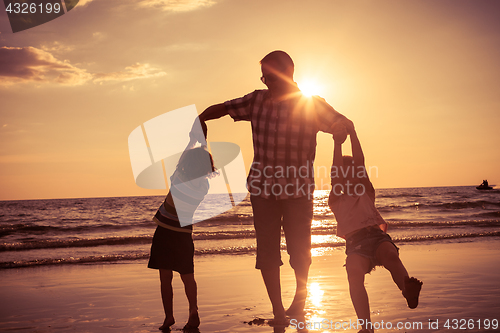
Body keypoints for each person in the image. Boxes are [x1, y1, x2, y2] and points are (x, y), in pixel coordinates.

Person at [192, 50, 348, 325]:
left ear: (288, 73)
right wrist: (201, 119)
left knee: (300, 252)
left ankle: (299, 301)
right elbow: (226, 107)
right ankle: (278, 310)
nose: (266, 81)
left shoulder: (311, 104)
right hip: (262, 190)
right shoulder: (256, 100)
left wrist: (339, 129)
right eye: (263, 76)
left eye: (271, 76)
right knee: (267, 251)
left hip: (298, 191)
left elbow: (342, 122)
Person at [328, 119, 423, 333]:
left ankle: (407, 290)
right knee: (353, 271)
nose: (350, 176)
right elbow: (336, 170)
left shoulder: (366, 192)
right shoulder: (336, 197)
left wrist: (353, 133)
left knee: (390, 255)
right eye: (346, 173)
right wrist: (337, 143)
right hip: (356, 245)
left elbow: (360, 162)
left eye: (353, 173)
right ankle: (366, 327)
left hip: (376, 237)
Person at [148, 131, 215, 332]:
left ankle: (169, 316)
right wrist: (202, 145)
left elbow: (180, 163)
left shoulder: (179, 178)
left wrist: (192, 142)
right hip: (184, 235)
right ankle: (193, 309)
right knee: (187, 275)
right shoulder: (204, 184)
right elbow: (194, 163)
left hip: (165, 232)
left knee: (165, 277)